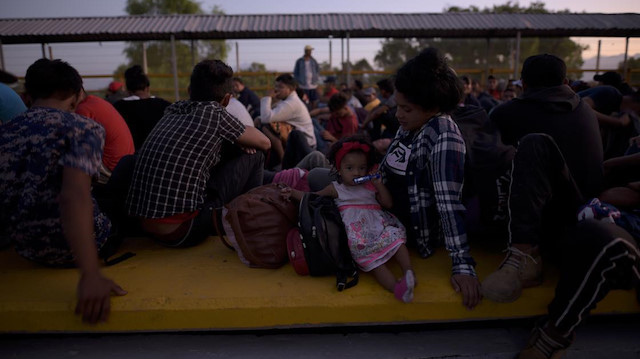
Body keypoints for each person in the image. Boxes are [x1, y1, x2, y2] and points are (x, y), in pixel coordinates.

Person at [0, 58, 126, 324]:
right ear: (77, 95)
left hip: (25, 247)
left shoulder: (6, 130)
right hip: (74, 250)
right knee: (122, 190)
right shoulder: (83, 128)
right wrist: (90, 275)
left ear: (26, 96)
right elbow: (74, 196)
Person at [483, 53, 604, 302]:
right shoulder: (587, 112)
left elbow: (488, 169)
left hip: (551, 227)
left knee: (531, 145)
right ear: (567, 83)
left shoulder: (505, 113)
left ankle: (523, 253)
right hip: (588, 214)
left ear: (523, 84)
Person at [126, 59, 270, 248]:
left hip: (143, 227)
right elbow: (264, 142)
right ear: (227, 99)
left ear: (189, 91)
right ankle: (251, 222)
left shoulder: (173, 109)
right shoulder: (214, 113)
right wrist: (241, 140)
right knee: (255, 155)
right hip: (182, 231)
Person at [380, 48, 481, 309]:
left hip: (409, 230)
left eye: (406, 109)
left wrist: (462, 265)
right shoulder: (411, 126)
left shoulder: (443, 135)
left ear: (432, 107)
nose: (397, 114)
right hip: (385, 209)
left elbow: (449, 204)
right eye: (397, 106)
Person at [282, 135, 415, 303]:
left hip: (379, 224)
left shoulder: (370, 186)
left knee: (397, 242)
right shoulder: (336, 188)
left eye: (362, 168)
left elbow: (388, 203)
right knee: (375, 263)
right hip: (359, 235)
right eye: (349, 168)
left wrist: (379, 185)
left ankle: (408, 272)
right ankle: (397, 289)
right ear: (339, 170)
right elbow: (313, 198)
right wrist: (292, 193)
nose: (356, 173)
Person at [257, 74, 316, 169]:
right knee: (263, 122)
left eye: (281, 87)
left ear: (291, 89)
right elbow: (267, 114)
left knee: (266, 127)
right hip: (297, 138)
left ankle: (282, 159)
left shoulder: (291, 103)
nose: (276, 90)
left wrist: (268, 97)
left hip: (303, 144)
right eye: (276, 86)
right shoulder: (289, 99)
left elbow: (266, 118)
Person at [75, 89, 135, 176]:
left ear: (79, 92)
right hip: (125, 163)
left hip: (112, 168)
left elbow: (78, 146)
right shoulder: (95, 101)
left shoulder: (82, 109)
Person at [113, 65, 171, 150]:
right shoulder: (165, 106)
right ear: (147, 88)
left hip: (130, 154)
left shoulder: (118, 107)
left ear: (128, 91)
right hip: (161, 153)